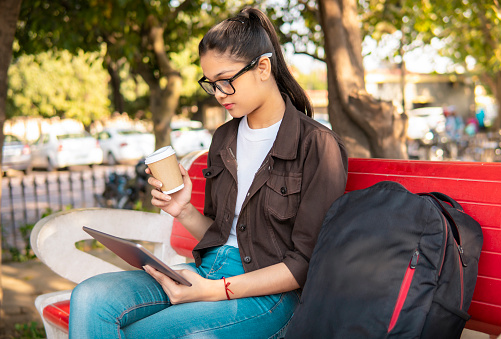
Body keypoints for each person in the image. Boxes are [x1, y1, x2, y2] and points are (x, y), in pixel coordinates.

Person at [69, 7, 348, 338]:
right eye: (211, 83)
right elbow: (221, 234)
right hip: (206, 272)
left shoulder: (316, 145)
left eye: (226, 81)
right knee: (89, 298)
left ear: (263, 67)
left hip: (270, 296)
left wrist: (214, 291)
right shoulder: (224, 138)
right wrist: (182, 210)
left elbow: (303, 264)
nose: (218, 94)